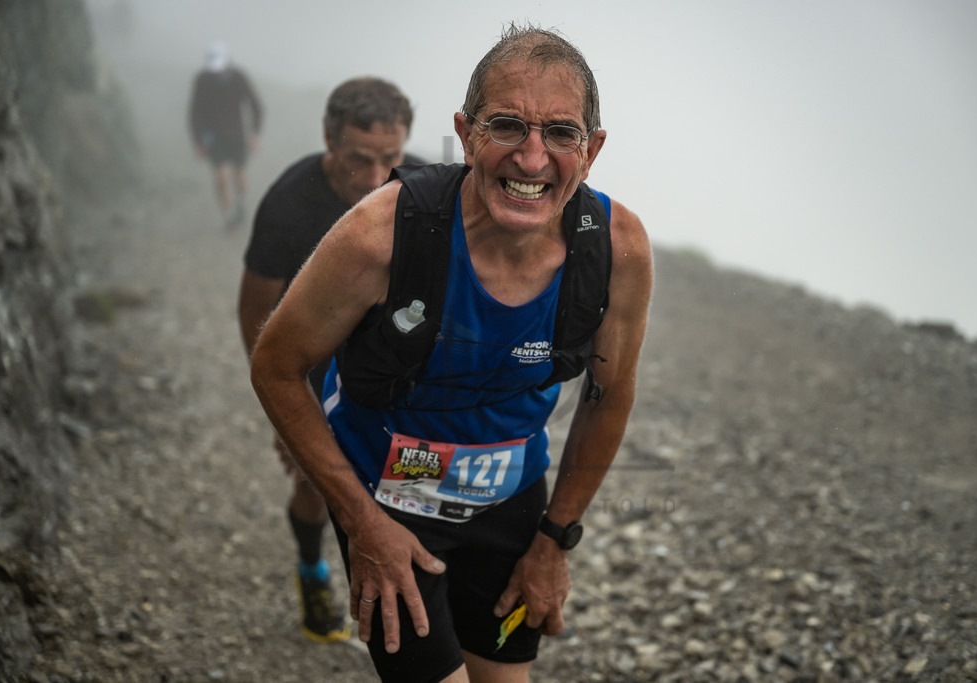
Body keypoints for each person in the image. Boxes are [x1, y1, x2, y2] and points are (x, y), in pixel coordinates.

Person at [250, 24, 652, 683]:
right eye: (506, 126)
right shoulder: (382, 234)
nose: (531, 159)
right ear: (466, 134)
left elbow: (610, 397)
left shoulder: (616, 248)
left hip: (511, 499)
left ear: (592, 150)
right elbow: (276, 364)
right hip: (386, 496)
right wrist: (361, 524)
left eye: (561, 133)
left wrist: (555, 541)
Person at [238, 77, 420, 643]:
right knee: (317, 486)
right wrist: (281, 406)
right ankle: (313, 569)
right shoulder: (288, 202)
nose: (375, 178)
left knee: (410, 484)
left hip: (393, 364)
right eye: (359, 159)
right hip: (314, 365)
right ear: (329, 139)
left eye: (389, 158)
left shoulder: (419, 187)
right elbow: (254, 308)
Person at [188, 41, 263, 230]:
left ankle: (241, 203)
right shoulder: (202, 81)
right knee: (220, 176)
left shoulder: (238, 78)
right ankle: (229, 216)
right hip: (213, 137)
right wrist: (198, 141)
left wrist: (255, 133)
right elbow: (195, 112)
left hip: (237, 134)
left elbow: (255, 105)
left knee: (240, 174)